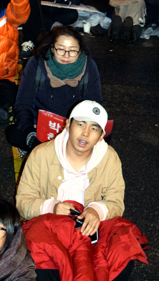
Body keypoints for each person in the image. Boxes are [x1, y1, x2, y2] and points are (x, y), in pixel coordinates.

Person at [16, 100, 148, 281]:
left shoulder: (110, 158)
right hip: (52, 230)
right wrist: (52, 207)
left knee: (122, 255)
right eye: (80, 124)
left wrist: (96, 210)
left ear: (102, 135)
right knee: (35, 262)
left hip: (91, 232)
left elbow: (116, 202)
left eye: (94, 128)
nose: (85, 133)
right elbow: (23, 202)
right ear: (68, 124)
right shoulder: (41, 154)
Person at [6, 27, 102, 155]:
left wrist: (83, 130)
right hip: (39, 124)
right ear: (52, 48)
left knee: (103, 138)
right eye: (61, 49)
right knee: (13, 134)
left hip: (73, 127)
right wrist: (30, 132)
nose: (66, 56)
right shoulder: (36, 63)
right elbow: (23, 102)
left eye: (73, 51)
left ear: (80, 51)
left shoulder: (89, 66)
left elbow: (95, 104)